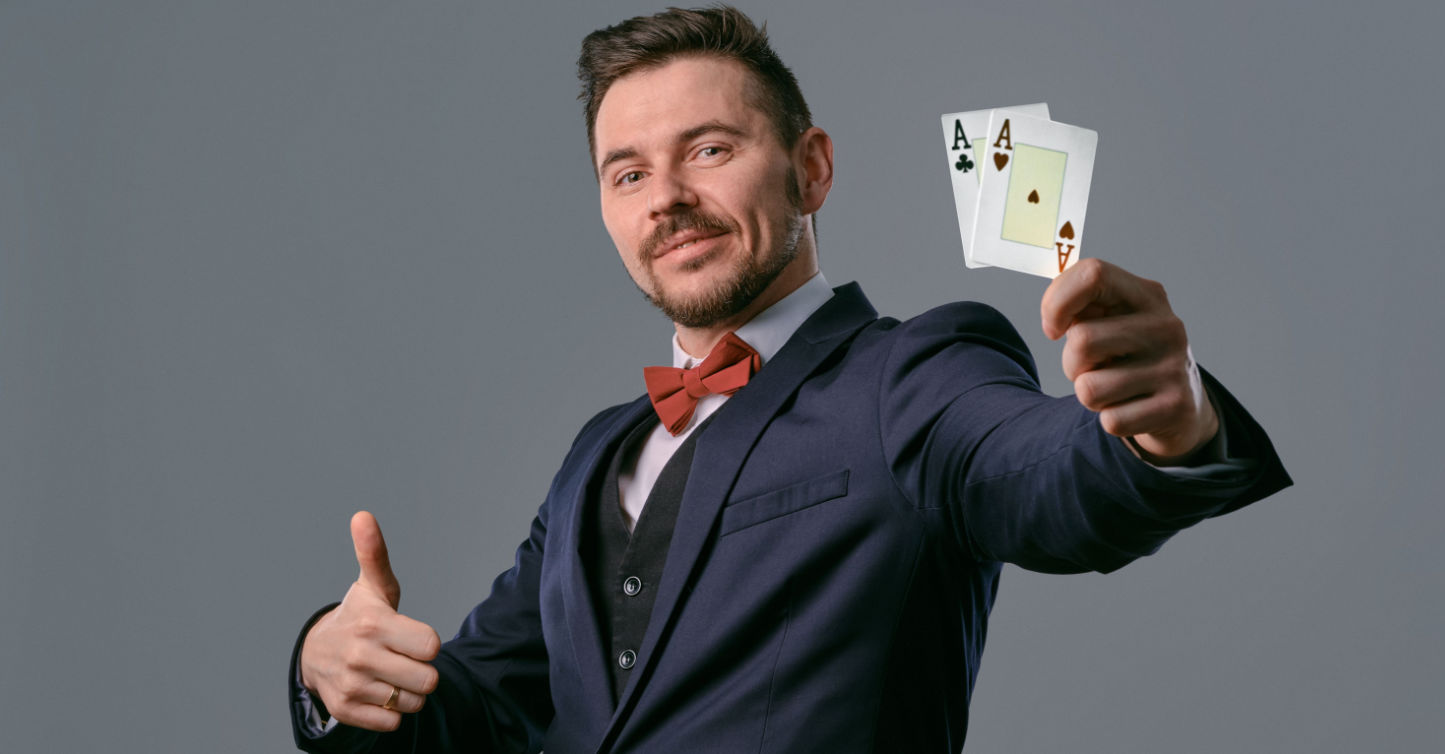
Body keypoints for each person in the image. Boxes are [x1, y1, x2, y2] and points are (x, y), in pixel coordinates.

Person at [286, 6, 1291, 753]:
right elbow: (476, 715)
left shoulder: (915, 374)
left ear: (810, 169)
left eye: (709, 149)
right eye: (628, 174)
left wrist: (1159, 427)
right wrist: (330, 670)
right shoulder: (595, 456)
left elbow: (1043, 476)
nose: (666, 198)